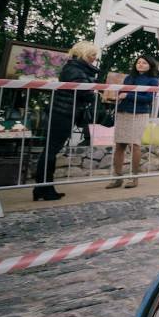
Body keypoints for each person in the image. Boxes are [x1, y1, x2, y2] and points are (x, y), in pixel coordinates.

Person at [33, 41, 100, 201]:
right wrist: (95, 92)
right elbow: (85, 92)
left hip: (62, 112)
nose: (94, 58)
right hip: (63, 114)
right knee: (51, 151)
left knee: (50, 150)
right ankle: (44, 188)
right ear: (84, 54)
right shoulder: (75, 70)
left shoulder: (74, 68)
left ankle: (43, 188)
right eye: (92, 55)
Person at [106, 54, 159, 189]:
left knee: (135, 145)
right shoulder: (129, 78)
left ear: (150, 65)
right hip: (123, 112)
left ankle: (134, 178)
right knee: (119, 145)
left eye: (144, 63)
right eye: (138, 62)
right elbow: (122, 93)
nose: (140, 64)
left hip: (139, 114)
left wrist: (128, 95)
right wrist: (116, 96)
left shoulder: (153, 81)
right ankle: (117, 177)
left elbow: (148, 99)